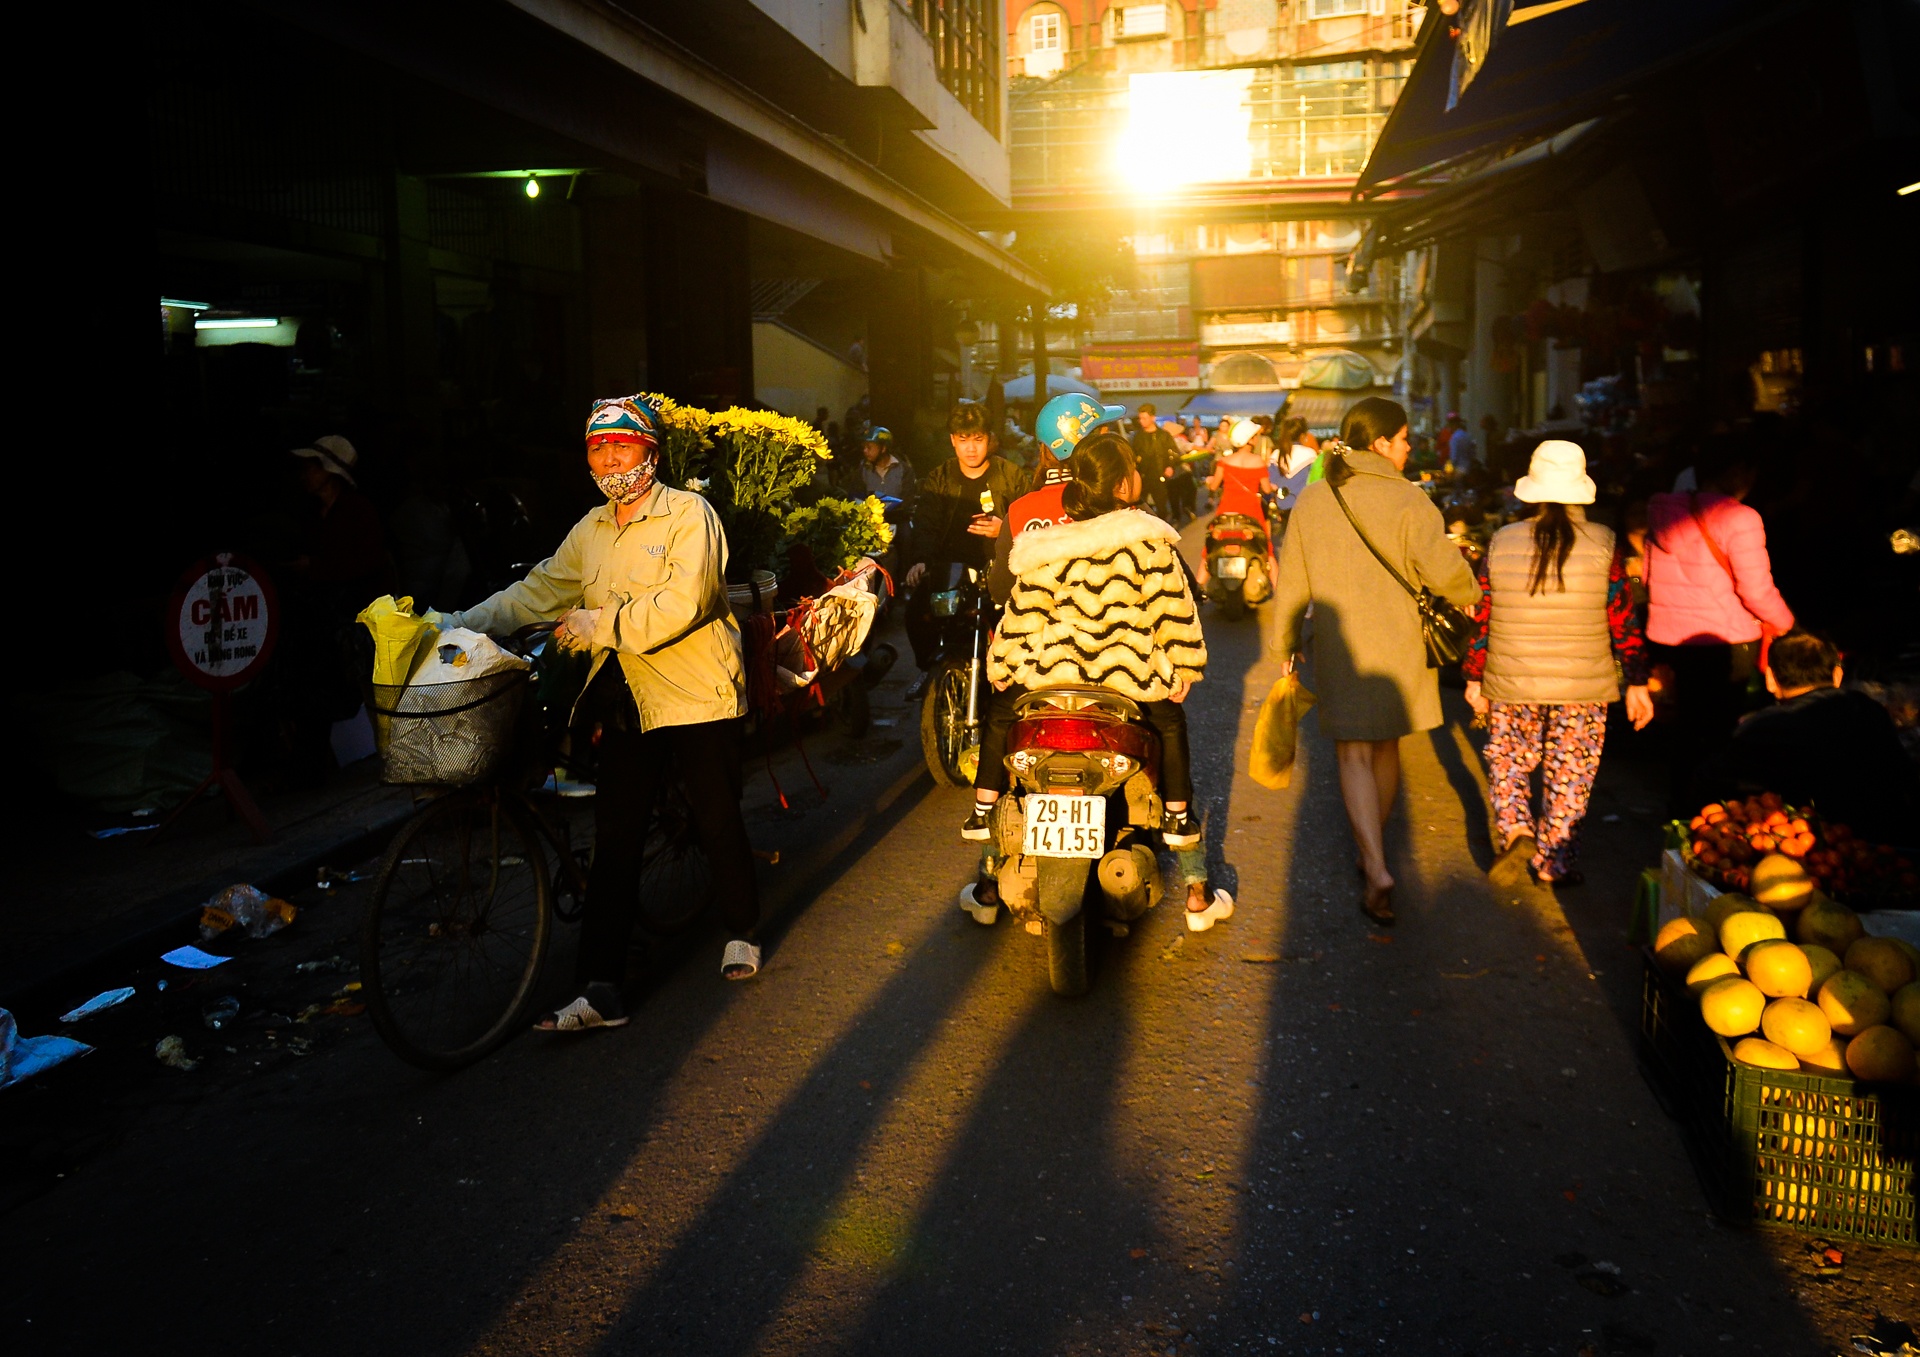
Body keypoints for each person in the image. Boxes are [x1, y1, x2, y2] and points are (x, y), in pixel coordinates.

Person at [439, 395, 763, 1028]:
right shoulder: (590, 530)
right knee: (616, 837)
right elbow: (536, 592)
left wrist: (601, 622)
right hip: (630, 697)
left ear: (651, 453)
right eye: (599, 447)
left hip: (696, 691)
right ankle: (601, 987)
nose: (611, 457)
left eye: (623, 446)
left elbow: (684, 601)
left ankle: (742, 928)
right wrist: (456, 623)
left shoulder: (688, 514)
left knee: (717, 815)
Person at [969, 432, 1234, 930]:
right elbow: (1172, 611)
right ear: (1121, 486)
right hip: (1127, 682)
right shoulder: (1148, 538)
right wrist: (1184, 667)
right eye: (1132, 468)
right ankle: (1184, 845)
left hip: (1051, 680)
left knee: (1003, 729)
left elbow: (1025, 614)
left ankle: (985, 842)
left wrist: (1003, 667)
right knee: (1171, 724)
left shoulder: (1043, 545)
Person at [1272, 397, 1481, 926]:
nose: (1410, 447)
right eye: (1405, 438)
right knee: (1386, 745)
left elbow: (1293, 583)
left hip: (1341, 646)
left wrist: (1285, 645)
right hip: (1400, 646)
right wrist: (1472, 584)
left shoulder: (1316, 501)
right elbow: (1451, 578)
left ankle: (1374, 862)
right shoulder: (1411, 500)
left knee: (1353, 755)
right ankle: (1374, 854)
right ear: (1380, 443)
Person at [1461, 442, 1655, 887]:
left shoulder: (1502, 541)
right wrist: (1638, 682)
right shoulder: (1606, 543)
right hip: (1582, 689)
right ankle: (1555, 863)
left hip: (1511, 683)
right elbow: (1622, 621)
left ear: (1533, 491)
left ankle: (1517, 830)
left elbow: (1483, 615)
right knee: (1570, 775)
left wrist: (1474, 676)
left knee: (1508, 759)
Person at [1644, 437, 1795, 812]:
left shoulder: (1663, 508)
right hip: (1725, 641)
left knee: (1684, 732)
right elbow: (1755, 589)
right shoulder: (1741, 518)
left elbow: (1648, 577)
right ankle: (1711, 819)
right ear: (1736, 473)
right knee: (1720, 737)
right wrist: (1787, 623)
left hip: (1669, 639)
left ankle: (1680, 813)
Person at [1700, 630, 1920, 844]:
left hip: (1801, 846)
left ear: (1770, 679)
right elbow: (1905, 776)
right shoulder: (1869, 710)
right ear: (1837, 675)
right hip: (1887, 841)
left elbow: (1710, 792)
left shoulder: (1758, 728)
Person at [901, 402, 1028, 699]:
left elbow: (1030, 522)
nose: (971, 449)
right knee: (915, 612)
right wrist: (920, 561)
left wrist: (1004, 530)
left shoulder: (1011, 475)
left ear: (990, 439)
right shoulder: (939, 478)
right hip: (950, 571)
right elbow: (925, 523)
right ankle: (929, 670)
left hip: (999, 569)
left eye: (978, 440)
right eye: (963, 440)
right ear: (952, 441)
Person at [1129, 402, 1181, 520]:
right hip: (1142, 476)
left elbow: (1174, 452)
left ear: (1153, 418)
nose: (1141, 421)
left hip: (1159, 475)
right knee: (1139, 507)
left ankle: (1163, 531)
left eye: (1144, 418)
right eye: (1140, 418)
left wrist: (1170, 466)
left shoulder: (1163, 435)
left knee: (1161, 506)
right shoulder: (1137, 437)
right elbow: (1131, 455)